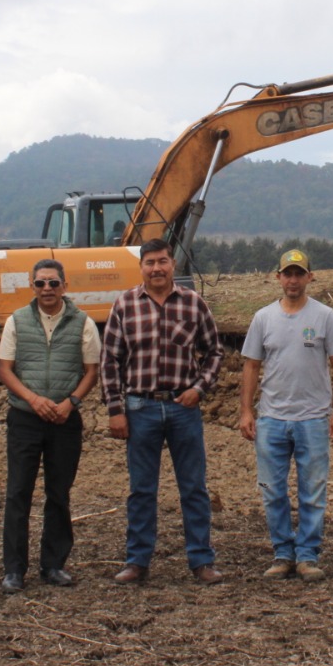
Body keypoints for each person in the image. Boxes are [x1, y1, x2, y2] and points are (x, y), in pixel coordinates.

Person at [101, 238, 225, 584]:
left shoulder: (193, 304)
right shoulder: (125, 304)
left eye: (163, 261)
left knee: (194, 487)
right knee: (141, 489)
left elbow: (215, 352)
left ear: (173, 265)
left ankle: (201, 561)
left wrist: (198, 389)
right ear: (141, 267)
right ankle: (137, 561)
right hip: (139, 407)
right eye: (150, 262)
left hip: (182, 408)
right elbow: (109, 360)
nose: (157, 268)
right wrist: (115, 409)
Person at [238, 248, 333, 582]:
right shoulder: (263, 318)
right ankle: (282, 553)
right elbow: (251, 365)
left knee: (312, 490)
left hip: (313, 418)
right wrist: (246, 410)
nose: (293, 280)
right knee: (272, 490)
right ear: (278, 277)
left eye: (299, 273)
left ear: (310, 277)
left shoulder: (325, 317)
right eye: (287, 273)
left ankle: (307, 555)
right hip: (272, 418)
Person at [0, 258, 99, 591]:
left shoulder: (83, 323)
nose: (47, 289)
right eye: (40, 283)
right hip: (25, 419)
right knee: (18, 493)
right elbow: (6, 369)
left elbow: (91, 372)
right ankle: (14, 569)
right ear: (33, 287)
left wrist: (71, 403)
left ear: (64, 286)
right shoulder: (17, 321)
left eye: (53, 283)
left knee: (59, 493)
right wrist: (34, 399)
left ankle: (53, 564)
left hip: (65, 420)